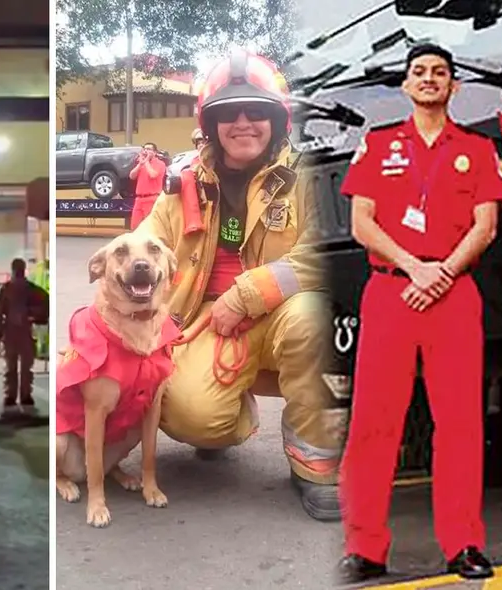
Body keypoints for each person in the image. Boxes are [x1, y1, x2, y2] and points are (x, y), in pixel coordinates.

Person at [135, 49, 339, 520]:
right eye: (228, 113)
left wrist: (248, 294)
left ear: (277, 119)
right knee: (190, 414)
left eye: (256, 111)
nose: (242, 122)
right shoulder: (184, 183)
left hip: (287, 314)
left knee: (317, 324)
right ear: (211, 124)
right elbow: (145, 243)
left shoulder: (310, 175)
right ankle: (228, 406)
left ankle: (315, 467)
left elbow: (329, 253)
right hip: (209, 323)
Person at [336, 43, 502, 583]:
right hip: (391, 292)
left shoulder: (476, 149)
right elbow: (362, 223)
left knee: (457, 424)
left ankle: (464, 545)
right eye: (419, 73)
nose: (429, 79)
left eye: (439, 73)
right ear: (406, 86)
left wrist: (443, 273)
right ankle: (364, 547)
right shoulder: (378, 145)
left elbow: (486, 226)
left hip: (454, 294)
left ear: (453, 86)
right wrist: (415, 268)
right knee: (372, 424)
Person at [0, 258, 48, 411]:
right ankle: (19, 395)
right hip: (16, 331)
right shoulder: (25, 288)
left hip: (20, 331)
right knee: (17, 367)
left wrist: (35, 315)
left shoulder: (10, 289)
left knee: (19, 367)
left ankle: (16, 396)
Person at [128, 142, 168, 230]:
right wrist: (140, 164)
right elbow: (131, 176)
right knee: (135, 227)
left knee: (150, 228)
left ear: (155, 152)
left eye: (149, 149)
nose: (146, 151)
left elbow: (153, 175)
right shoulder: (141, 164)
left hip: (152, 198)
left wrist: (146, 162)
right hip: (139, 199)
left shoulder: (160, 164)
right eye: (145, 149)